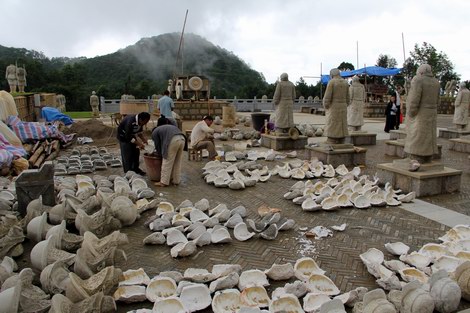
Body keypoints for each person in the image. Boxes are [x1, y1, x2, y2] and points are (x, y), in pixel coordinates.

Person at [404, 64, 440, 164]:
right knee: (429, 136)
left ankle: (417, 156)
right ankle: (428, 156)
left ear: (421, 72)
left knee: (417, 135)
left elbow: (414, 99)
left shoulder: (418, 80)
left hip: (420, 113)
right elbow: (438, 101)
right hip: (432, 113)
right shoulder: (436, 82)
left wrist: (411, 112)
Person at [151, 117, 187, 187]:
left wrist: (159, 154)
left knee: (167, 161)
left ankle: (163, 182)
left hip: (173, 140)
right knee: (177, 161)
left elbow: (158, 145)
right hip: (182, 139)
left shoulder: (155, 132)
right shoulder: (166, 127)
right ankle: (176, 180)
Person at [323, 68, 350, 143]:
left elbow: (327, 96)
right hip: (343, 105)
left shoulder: (332, 82)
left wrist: (326, 105)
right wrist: (346, 104)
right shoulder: (345, 82)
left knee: (333, 122)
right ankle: (342, 138)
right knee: (342, 122)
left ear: (332, 74)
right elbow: (348, 97)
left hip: (334, 106)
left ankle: (332, 139)